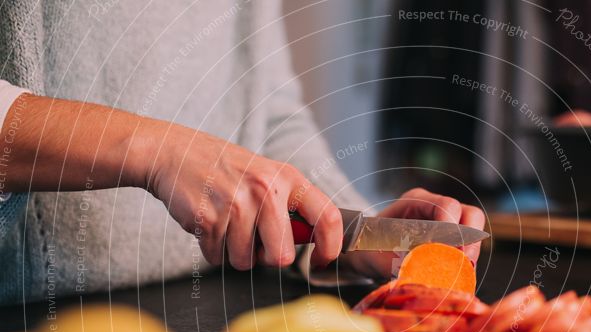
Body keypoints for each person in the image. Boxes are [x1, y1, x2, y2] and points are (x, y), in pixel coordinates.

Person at [0, 1, 485, 305]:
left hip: (199, 305)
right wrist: (159, 150)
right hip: (31, 327)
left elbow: (268, 111)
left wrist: (343, 231)